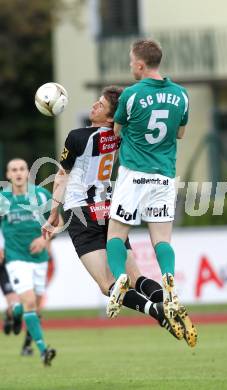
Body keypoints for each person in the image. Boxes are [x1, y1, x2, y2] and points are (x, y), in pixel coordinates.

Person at [42, 86, 184, 341]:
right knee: (136, 276)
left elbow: (62, 176)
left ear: (110, 117)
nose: (93, 106)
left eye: (100, 105)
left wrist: (54, 211)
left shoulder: (77, 136)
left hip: (81, 213)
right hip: (109, 210)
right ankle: (169, 302)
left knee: (107, 284)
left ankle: (157, 312)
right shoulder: (123, 136)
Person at [105, 39, 198, 347]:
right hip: (164, 177)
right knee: (161, 239)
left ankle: (120, 277)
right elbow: (180, 133)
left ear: (141, 64)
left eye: (132, 62)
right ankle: (169, 279)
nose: (131, 66)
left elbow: (117, 131)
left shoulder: (131, 95)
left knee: (116, 235)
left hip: (133, 175)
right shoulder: (181, 95)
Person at [0, 158, 56, 365]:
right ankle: (43, 349)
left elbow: (55, 222)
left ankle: (15, 312)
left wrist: (44, 239)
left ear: (27, 173)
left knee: (35, 307)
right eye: (13, 169)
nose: (18, 173)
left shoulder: (41, 195)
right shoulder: (3, 198)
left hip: (39, 259)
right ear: (8, 175)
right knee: (30, 301)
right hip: (16, 258)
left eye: (22, 169)